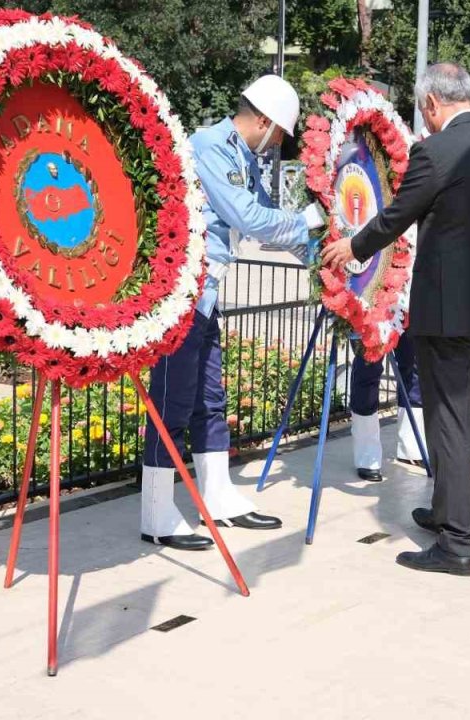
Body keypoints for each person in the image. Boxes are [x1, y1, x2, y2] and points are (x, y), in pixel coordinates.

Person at [320, 62, 470, 577]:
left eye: (423, 111)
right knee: (465, 416)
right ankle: (444, 510)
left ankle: (457, 543)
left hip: (448, 309)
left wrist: (352, 245)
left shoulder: (436, 151)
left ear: (432, 104)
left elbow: (395, 217)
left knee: (448, 421)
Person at [140, 75, 326, 550]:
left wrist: (327, 254)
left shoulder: (244, 156)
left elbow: (271, 224)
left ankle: (218, 496)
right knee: (173, 400)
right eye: (279, 135)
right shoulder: (209, 145)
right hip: (181, 294)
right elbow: (247, 216)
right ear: (263, 120)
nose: (277, 145)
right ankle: (156, 513)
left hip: (207, 293)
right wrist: (303, 220)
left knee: (208, 397)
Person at [350, 335, 424, 481]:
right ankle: (367, 455)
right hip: (369, 314)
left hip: (407, 313)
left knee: (413, 365)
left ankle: (412, 448)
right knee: (368, 368)